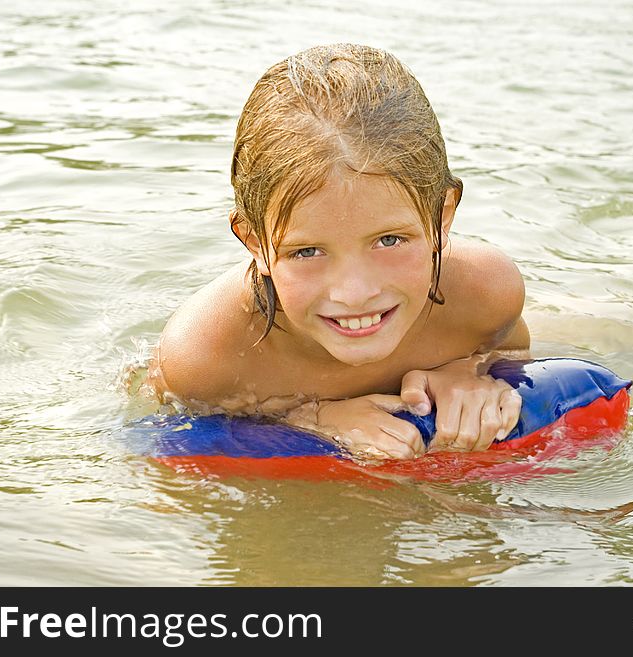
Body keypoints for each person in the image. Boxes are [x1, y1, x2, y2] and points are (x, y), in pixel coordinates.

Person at [143, 43, 530, 461]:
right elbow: (167, 437)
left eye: (389, 240)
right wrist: (312, 418)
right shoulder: (206, 356)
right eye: (307, 251)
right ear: (254, 241)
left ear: (442, 217)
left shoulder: (483, 294)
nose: (354, 292)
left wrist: (465, 371)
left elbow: (511, 353)